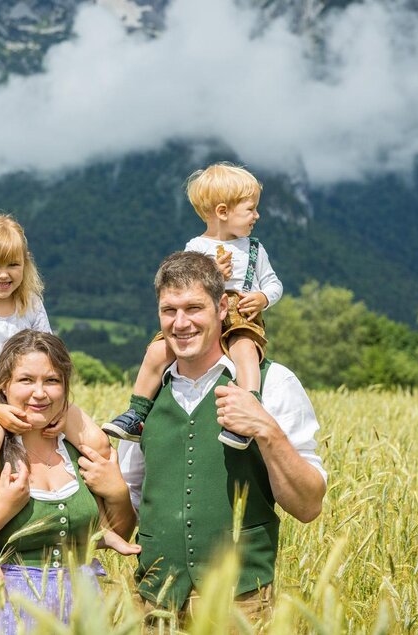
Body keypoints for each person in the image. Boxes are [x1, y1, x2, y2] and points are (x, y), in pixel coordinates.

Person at [117, 251, 326, 624]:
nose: (181, 323)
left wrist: (265, 428)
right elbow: (129, 506)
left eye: (194, 308)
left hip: (241, 607)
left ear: (222, 306)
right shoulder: (148, 396)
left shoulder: (274, 383)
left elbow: (309, 506)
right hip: (155, 604)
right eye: (169, 310)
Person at [0, 330, 137, 632]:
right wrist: (0, 511)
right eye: (26, 380)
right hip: (3, 612)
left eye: (52, 381)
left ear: (66, 387)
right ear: (3, 386)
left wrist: (118, 492)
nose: (40, 393)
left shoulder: (77, 449)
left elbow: (115, 534)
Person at [0, 214, 110, 542]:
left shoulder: (31, 303)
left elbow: (50, 356)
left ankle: (96, 525)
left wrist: (61, 407)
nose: (4, 275)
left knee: (96, 440)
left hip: (35, 386)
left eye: (13, 265)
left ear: (25, 264)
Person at [104, 163, 283, 450]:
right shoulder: (196, 247)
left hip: (240, 316)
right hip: (200, 313)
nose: (257, 216)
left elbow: (273, 283)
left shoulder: (254, 249)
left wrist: (263, 298)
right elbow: (183, 286)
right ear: (223, 212)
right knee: (156, 350)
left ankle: (250, 410)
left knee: (245, 349)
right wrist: (213, 277)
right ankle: (137, 412)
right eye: (250, 209)